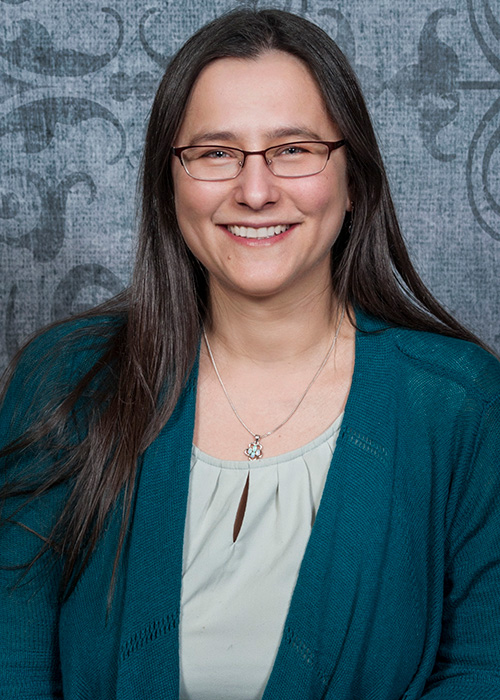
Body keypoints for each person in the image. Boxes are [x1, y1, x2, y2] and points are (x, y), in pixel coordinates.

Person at [1, 7, 499, 700]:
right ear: (167, 182)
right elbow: (12, 662)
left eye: (293, 149)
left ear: (352, 177)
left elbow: (486, 670)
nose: (256, 190)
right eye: (215, 153)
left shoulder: (461, 402)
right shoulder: (67, 377)